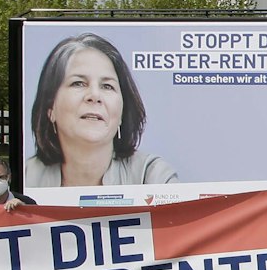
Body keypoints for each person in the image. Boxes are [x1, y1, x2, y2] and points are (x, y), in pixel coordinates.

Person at [25, 33, 179, 187]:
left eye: (107, 86)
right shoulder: (26, 177)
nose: (94, 96)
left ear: (122, 113)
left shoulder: (152, 174)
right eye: (78, 83)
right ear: (50, 107)